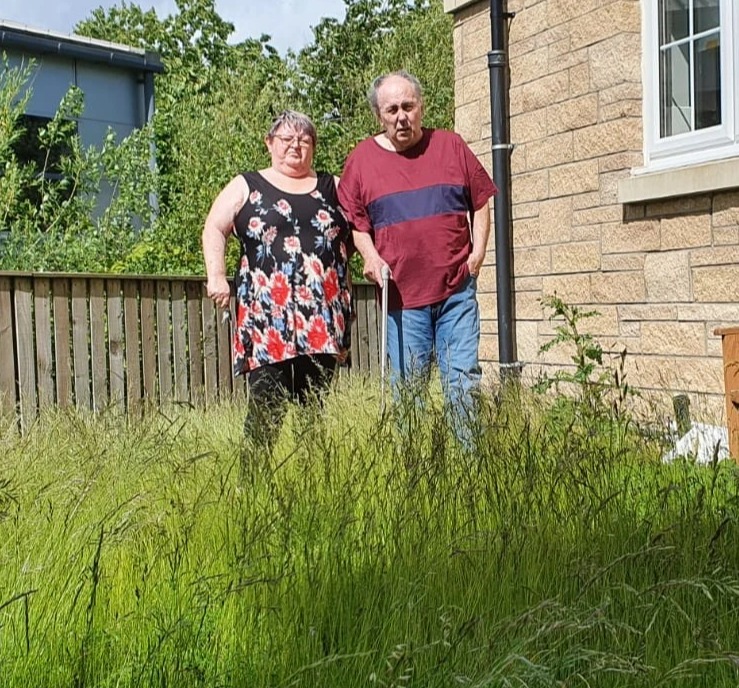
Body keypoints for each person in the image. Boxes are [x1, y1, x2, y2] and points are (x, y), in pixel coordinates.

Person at [338, 70, 496, 445]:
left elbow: (482, 201)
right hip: (403, 300)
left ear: (421, 107)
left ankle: (470, 470)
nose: (401, 116)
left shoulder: (451, 146)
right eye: (391, 109)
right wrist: (371, 257)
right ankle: (412, 472)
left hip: (456, 292)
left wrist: (478, 253)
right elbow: (356, 223)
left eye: (408, 106)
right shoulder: (362, 160)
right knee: (408, 390)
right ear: (379, 115)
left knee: (462, 383)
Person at [202, 110, 352, 447]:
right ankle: (251, 488)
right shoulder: (247, 184)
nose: (296, 146)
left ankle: (318, 488)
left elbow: (362, 231)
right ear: (269, 143)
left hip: (323, 320)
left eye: (305, 140)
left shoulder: (334, 186)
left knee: (315, 412)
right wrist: (217, 275)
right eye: (287, 139)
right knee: (265, 409)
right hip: (267, 320)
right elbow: (214, 226)